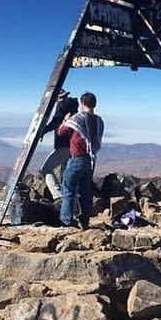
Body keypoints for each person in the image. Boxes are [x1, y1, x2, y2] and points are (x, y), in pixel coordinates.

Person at [57, 92, 104, 229]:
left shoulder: (78, 118)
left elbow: (61, 132)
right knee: (85, 192)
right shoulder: (99, 121)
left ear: (83, 103)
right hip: (90, 161)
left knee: (68, 189)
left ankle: (66, 221)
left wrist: (65, 120)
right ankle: (84, 222)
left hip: (77, 159)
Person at [39, 89, 79, 200]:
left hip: (64, 146)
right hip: (73, 147)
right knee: (66, 176)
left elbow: (55, 121)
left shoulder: (62, 105)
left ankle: (58, 196)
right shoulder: (73, 109)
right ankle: (71, 204)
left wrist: (43, 131)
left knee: (46, 169)